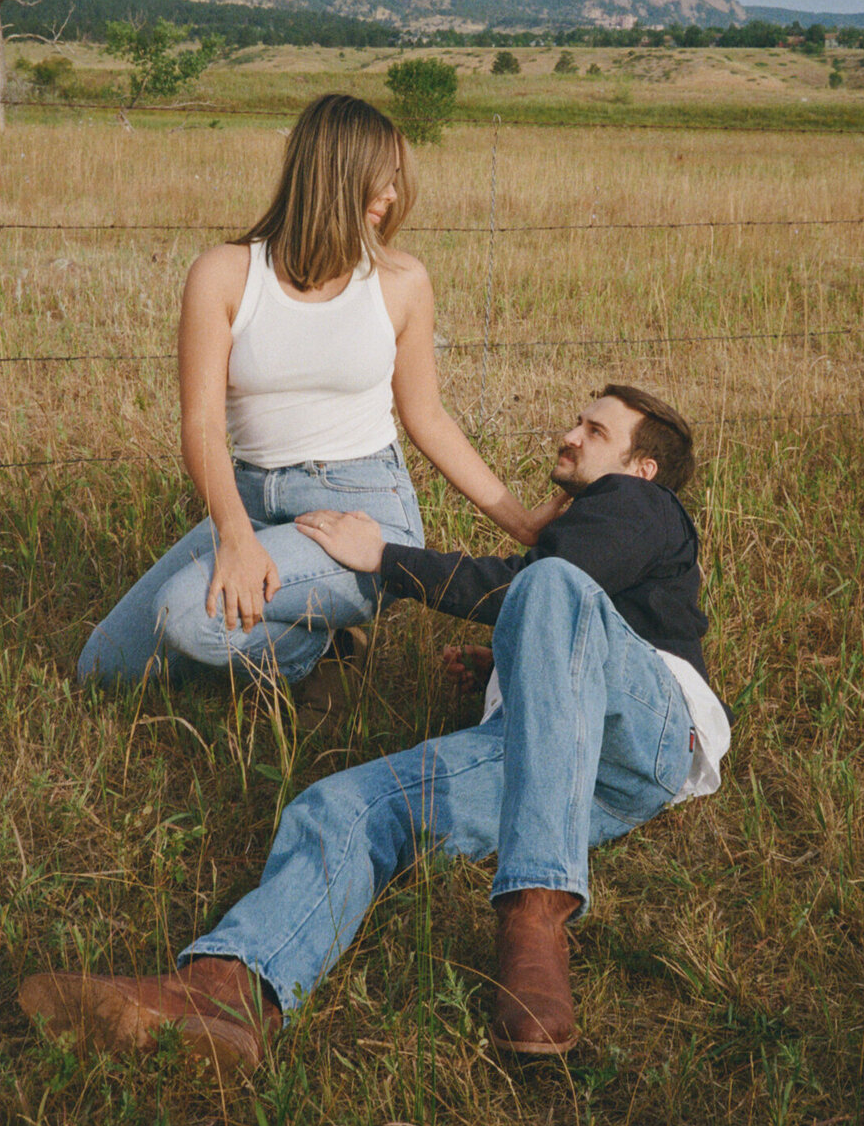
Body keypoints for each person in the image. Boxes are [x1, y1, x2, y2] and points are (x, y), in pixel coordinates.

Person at [22, 385, 731, 1072]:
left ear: (643, 469)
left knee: (548, 585)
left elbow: (537, 589)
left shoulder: (643, 501)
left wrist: (385, 560)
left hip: (653, 735)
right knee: (343, 806)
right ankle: (229, 993)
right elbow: (565, 640)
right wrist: (502, 668)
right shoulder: (595, 543)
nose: (570, 435)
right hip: (566, 771)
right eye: (578, 421)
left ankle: (534, 915)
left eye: (595, 431)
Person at [77, 92, 557, 694]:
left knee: (184, 616)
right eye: (382, 181)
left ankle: (316, 657)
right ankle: (308, 638)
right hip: (252, 498)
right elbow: (200, 424)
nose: (392, 197)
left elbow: (427, 417)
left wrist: (522, 524)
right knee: (103, 668)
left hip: (363, 511)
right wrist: (235, 538)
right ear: (336, 174)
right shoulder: (223, 274)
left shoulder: (401, 281)